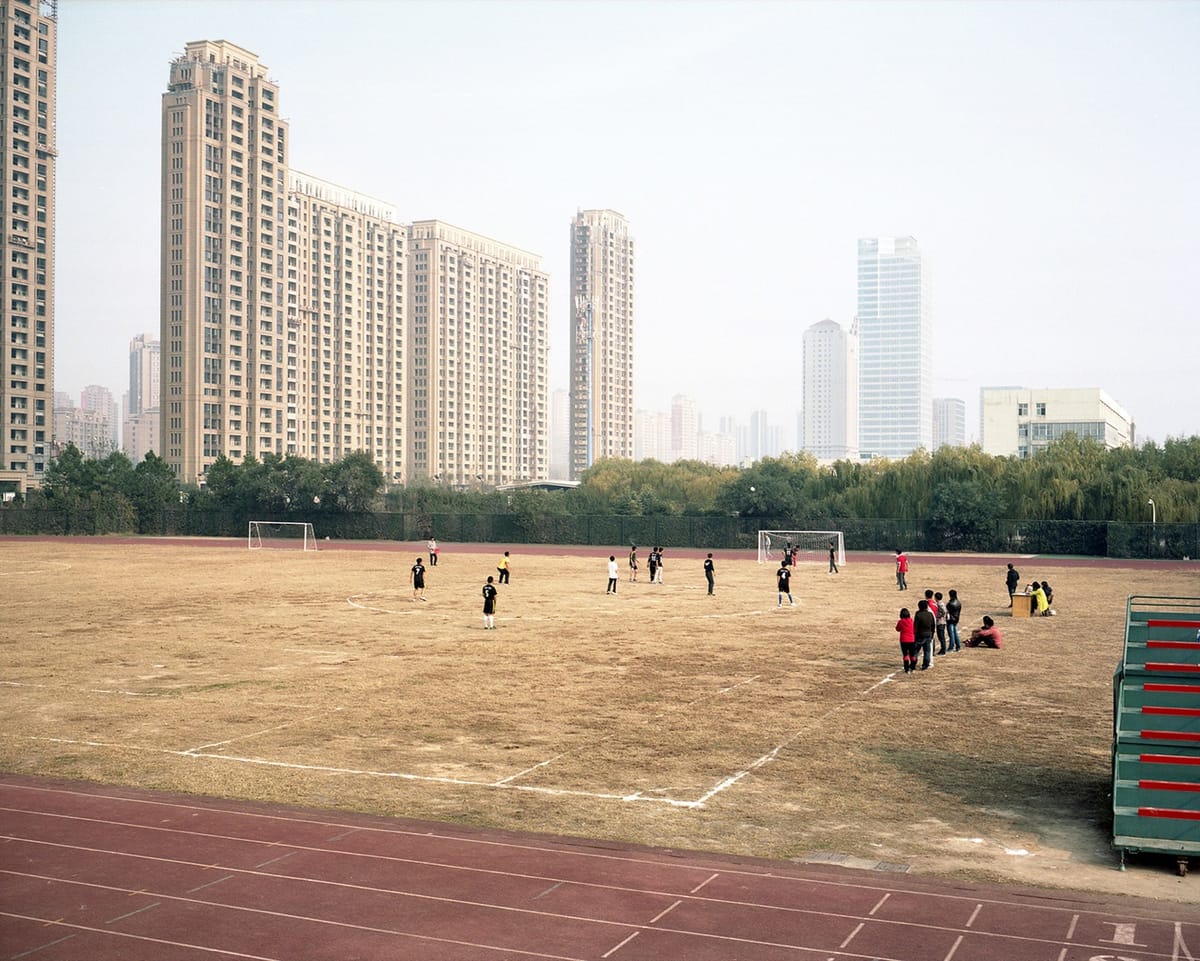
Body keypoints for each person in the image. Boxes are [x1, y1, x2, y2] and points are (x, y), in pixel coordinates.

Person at [913, 598, 935, 670]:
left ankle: (913, 663)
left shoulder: (918, 614)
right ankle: (925, 665)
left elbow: (915, 626)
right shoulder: (930, 614)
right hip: (928, 634)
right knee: (927, 651)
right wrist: (932, 634)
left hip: (920, 634)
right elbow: (933, 625)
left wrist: (914, 635)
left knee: (915, 650)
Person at [896, 607, 917, 673]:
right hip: (911, 639)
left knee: (905, 655)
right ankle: (913, 667)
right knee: (912, 655)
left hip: (904, 640)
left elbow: (897, 629)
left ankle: (906, 669)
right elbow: (914, 629)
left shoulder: (901, 621)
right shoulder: (911, 621)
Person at [945, 589, 962, 653]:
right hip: (956, 619)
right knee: (955, 633)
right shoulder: (958, 602)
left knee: (951, 634)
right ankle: (958, 647)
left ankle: (951, 647)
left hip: (951, 620)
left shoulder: (950, 604)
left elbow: (947, 612)